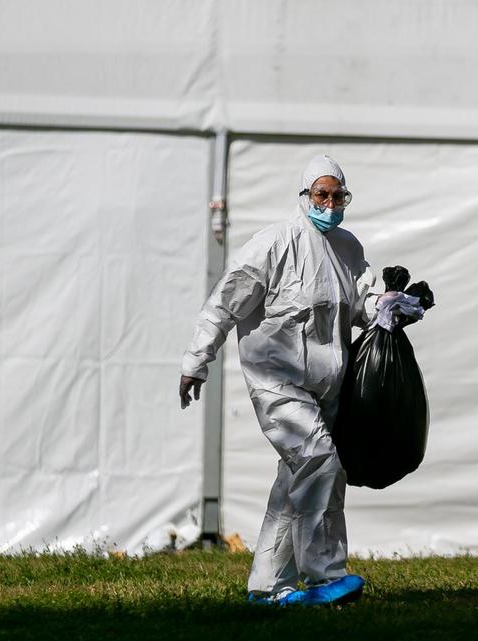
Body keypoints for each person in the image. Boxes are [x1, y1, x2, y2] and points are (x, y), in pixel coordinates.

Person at [179, 155, 376, 607]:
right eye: (321, 195)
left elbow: (360, 304)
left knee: (294, 483)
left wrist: (391, 306)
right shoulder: (273, 244)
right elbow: (223, 305)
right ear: (305, 196)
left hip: (325, 386)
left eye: (337, 195)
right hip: (277, 382)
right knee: (320, 460)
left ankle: (267, 587)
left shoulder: (347, 248)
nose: (330, 204)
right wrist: (197, 360)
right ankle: (325, 575)